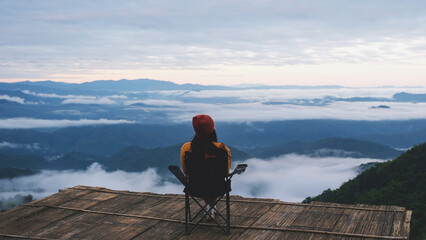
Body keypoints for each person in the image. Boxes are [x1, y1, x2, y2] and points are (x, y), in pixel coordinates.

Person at [180, 114, 231, 220]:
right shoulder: (222, 149)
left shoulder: (186, 148)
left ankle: (210, 208)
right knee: (212, 181)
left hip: (195, 188)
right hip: (218, 188)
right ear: (212, 129)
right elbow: (225, 172)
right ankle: (211, 208)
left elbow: (186, 171)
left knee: (203, 181)